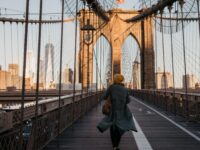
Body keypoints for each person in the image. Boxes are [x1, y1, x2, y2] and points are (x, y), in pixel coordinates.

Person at [97, 74, 137, 150]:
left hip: (113, 110)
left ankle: (114, 146)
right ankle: (117, 145)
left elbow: (104, 97)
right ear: (122, 80)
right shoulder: (125, 89)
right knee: (119, 127)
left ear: (115, 80)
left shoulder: (112, 87)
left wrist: (110, 97)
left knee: (112, 126)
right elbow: (128, 101)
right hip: (122, 111)